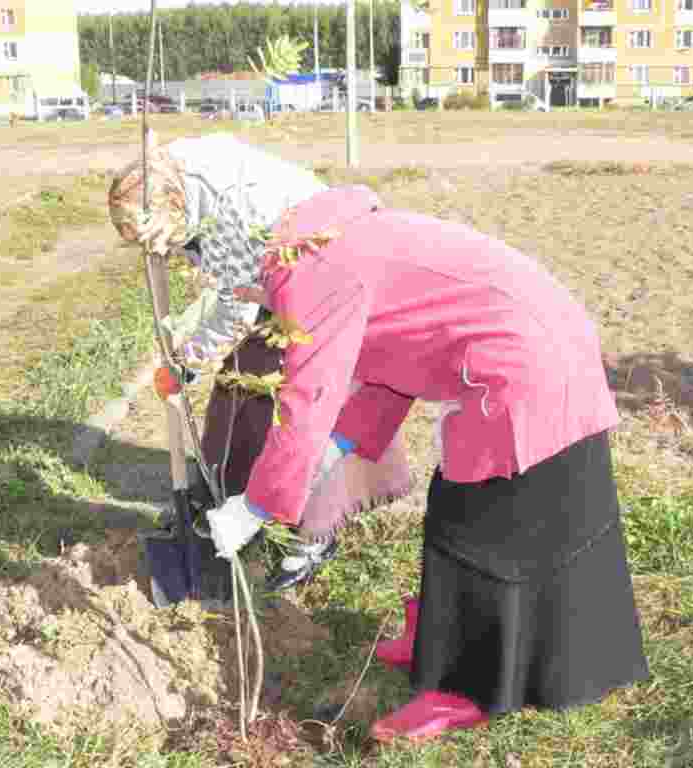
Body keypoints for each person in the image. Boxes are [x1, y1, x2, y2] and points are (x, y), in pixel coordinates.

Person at [198, 183, 651, 742]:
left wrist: (256, 505)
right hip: (540, 336)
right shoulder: (333, 240)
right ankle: (438, 637)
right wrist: (343, 444)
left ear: (254, 260)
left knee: (480, 529)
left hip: (522, 363)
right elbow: (397, 352)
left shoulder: (309, 274)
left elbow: (307, 398)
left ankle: (463, 688)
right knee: (462, 510)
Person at [108, 132, 414, 590]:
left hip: (320, 265)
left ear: (177, 204)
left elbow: (236, 310)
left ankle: (313, 531)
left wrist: (186, 362)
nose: (163, 250)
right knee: (240, 383)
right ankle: (221, 501)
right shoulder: (168, 170)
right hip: (275, 267)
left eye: (163, 239)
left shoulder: (232, 209)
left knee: (305, 400)